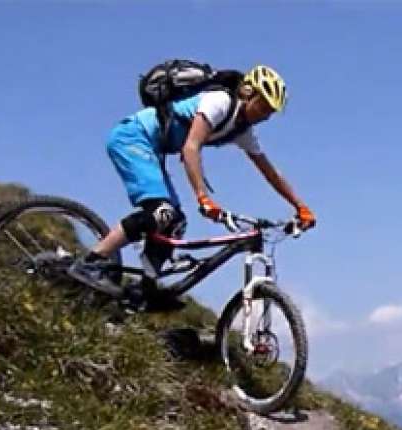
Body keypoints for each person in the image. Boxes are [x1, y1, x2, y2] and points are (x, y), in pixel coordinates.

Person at [68, 64, 315, 294]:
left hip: (152, 150)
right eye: (263, 107)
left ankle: (147, 288)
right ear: (248, 93)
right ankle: (91, 263)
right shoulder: (220, 102)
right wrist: (202, 197)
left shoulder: (242, 129)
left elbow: (270, 172)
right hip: (132, 139)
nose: (265, 115)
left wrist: (299, 206)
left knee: (175, 223)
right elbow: (191, 147)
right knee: (161, 213)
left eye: (270, 112)